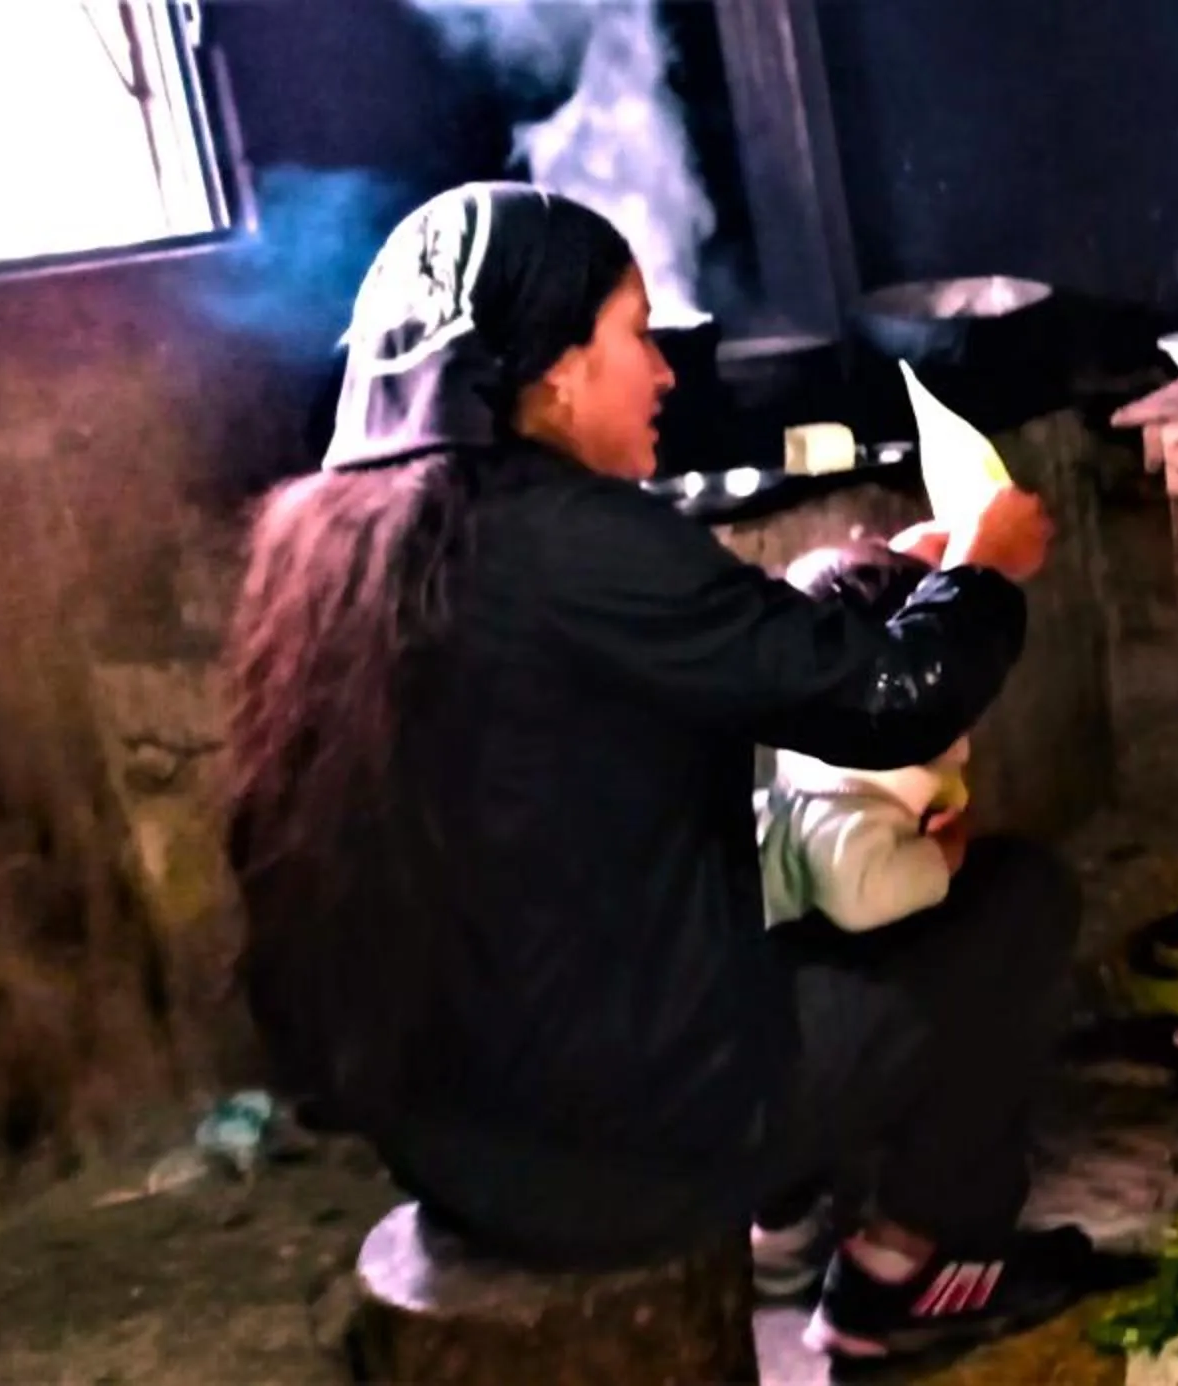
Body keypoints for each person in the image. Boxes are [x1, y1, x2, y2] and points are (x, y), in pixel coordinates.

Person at [222, 182, 1095, 1362]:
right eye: (636, 333)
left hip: (442, 1142)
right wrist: (983, 571)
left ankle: (786, 1232)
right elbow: (896, 702)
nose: (668, 371)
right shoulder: (573, 536)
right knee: (1012, 904)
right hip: (624, 1152)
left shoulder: (332, 545)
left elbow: (688, 653)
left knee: (768, 909)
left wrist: (898, 580)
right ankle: (910, 1269)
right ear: (554, 366)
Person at [757, 542, 978, 936]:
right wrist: (946, 852)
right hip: (754, 947)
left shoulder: (811, 734)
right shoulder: (851, 808)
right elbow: (858, 897)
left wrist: (911, 568)